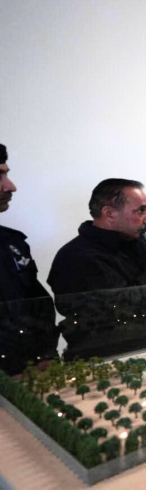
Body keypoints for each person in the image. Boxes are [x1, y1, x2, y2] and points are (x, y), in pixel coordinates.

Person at [48, 179, 146, 360]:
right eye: (141, 211)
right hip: (110, 361)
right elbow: (123, 311)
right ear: (109, 214)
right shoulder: (76, 257)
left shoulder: (137, 241)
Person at [0, 144, 59, 375]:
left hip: (26, 372)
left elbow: (38, 304)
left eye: (6, 174)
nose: (11, 186)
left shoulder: (13, 243)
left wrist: (45, 354)